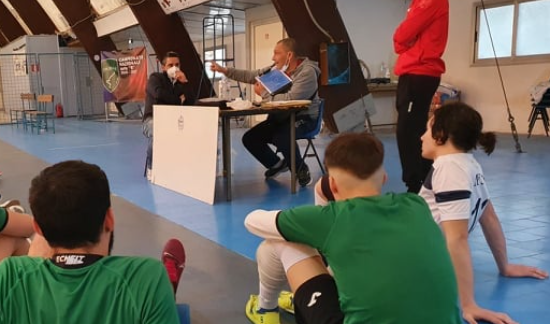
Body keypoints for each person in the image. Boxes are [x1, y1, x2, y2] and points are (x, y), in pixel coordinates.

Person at [243, 132, 462, 324]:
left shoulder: (331, 218)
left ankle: (265, 308)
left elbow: (252, 221)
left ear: (333, 184)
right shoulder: (416, 205)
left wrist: (313, 219)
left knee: (281, 243)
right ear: (384, 178)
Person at [0, 160, 181, 324]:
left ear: (39, 229)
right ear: (109, 219)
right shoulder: (146, 277)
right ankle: (167, 297)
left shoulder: (9, 275)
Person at [419, 102, 549, 324]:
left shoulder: (449, 168)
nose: (422, 137)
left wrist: (468, 304)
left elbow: (458, 238)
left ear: (440, 135)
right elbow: (488, 217)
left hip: (415, 255)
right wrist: (504, 266)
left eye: (427, 130)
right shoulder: (469, 163)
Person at [210, 38, 320, 187]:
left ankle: (301, 169)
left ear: (289, 55)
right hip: (282, 118)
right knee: (250, 138)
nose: (273, 58)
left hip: (304, 118)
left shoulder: (307, 72)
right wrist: (225, 70)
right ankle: (276, 164)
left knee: (282, 136)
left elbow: (291, 100)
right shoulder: (277, 70)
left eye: (276, 53)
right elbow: (251, 75)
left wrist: (263, 93)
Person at [393, 0, 449, 194]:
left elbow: (403, 35)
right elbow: (405, 37)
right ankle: (422, 181)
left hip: (421, 72)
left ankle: (416, 184)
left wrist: (404, 40)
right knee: (411, 128)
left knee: (408, 130)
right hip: (412, 71)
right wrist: (404, 40)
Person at [143, 51, 195, 180]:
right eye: (170, 65)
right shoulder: (155, 78)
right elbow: (158, 94)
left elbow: (191, 101)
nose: (174, 68)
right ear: (163, 67)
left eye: (177, 65)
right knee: (157, 129)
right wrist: (179, 100)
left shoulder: (180, 82)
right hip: (152, 119)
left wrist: (185, 82)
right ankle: (151, 167)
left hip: (174, 120)